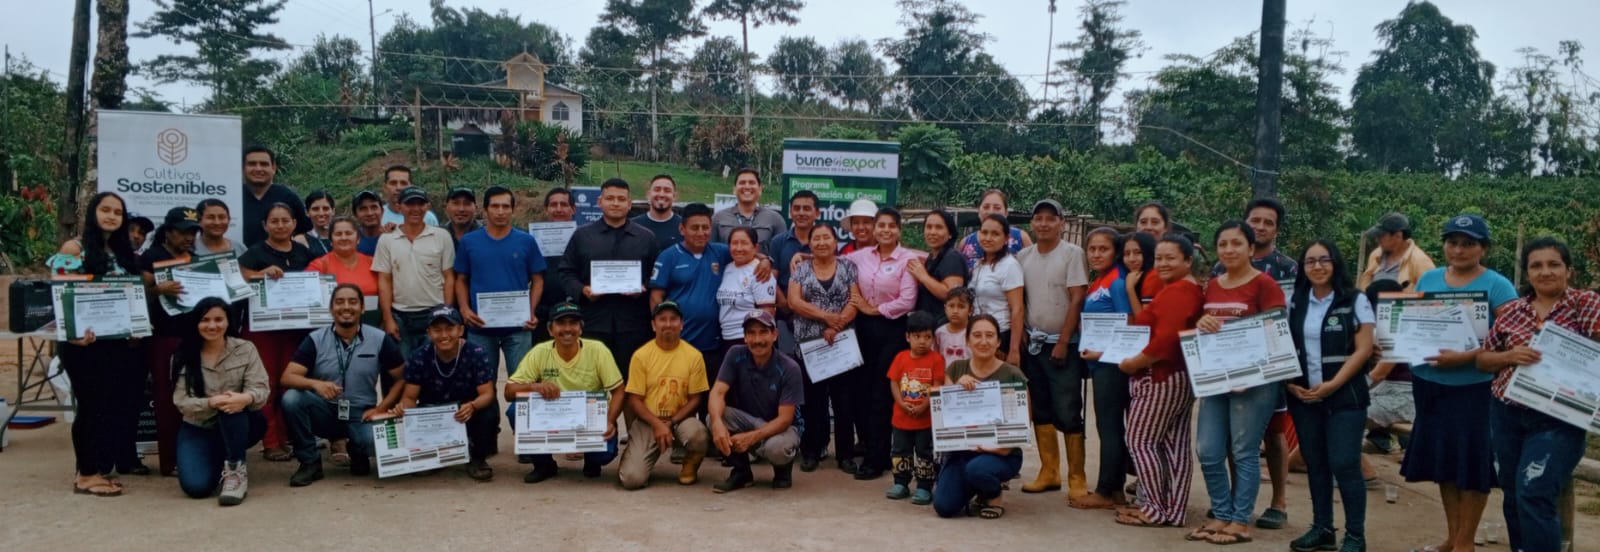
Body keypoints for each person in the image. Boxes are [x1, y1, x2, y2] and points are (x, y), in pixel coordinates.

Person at [1400, 214, 1517, 552]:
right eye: (1453, 242)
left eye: (1469, 244)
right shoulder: (1429, 278)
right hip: (1429, 384)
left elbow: (1513, 339)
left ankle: (1466, 542)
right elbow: (1414, 325)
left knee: (1473, 465)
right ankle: (1454, 538)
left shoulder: (1498, 286)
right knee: (1445, 464)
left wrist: (1464, 357)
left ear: (1483, 248)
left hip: (1474, 389)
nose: (1459, 250)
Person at [1480, 237, 1600, 552]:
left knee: (1534, 492)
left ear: (1568, 270)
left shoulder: (1585, 304)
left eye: (1553, 264)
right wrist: (1510, 356)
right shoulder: (1512, 311)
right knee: (1512, 494)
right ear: (1528, 273)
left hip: (1559, 417)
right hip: (1507, 413)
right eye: (1536, 266)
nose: (1545, 272)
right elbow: (1483, 360)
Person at [1091, 234, 1203, 528]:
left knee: (1140, 440)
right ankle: (1172, 509)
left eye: (1171, 258)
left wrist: (1134, 363)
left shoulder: (1180, 291)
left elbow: (1165, 341)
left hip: (1161, 375)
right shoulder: (1179, 289)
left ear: (1188, 261)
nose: (1163, 264)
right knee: (1173, 444)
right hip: (1176, 374)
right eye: (1160, 258)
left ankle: (1153, 508)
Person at [1190, 220, 1287, 545]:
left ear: (1250, 248)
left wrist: (1251, 374)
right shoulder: (1213, 286)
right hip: (1217, 380)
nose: (1229, 250)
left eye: (1236, 243)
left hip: (1254, 384)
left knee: (1244, 451)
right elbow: (1205, 327)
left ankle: (1240, 521)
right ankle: (1221, 513)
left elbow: (1276, 334)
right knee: (1208, 449)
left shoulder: (1265, 285)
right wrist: (1202, 322)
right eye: (1223, 244)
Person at [1211, 199, 1299, 531]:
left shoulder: (1288, 268)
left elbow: (1291, 316)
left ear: (1277, 229)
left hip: (1270, 364)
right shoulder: (1220, 269)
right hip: (1227, 367)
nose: (1261, 226)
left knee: (1274, 432)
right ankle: (1238, 503)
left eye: (1268, 222)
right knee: (1235, 437)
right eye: (1255, 220)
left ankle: (1278, 502)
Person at [1285, 240, 1376, 552]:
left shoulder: (1355, 300)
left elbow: (1364, 349)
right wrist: (1289, 383)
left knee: (1345, 463)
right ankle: (1322, 528)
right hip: (1305, 397)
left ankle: (1355, 536)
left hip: (1346, 397)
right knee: (1316, 462)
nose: (1318, 266)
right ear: (1303, 267)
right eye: (1310, 261)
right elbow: (1282, 345)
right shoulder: (1295, 301)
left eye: (1324, 260)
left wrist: (1334, 383)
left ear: (1336, 263)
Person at [49, 191, 141, 497]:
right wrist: (71, 332)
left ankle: (95, 468)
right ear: (93, 212)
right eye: (106, 210)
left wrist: (135, 327)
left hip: (115, 342)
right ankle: (86, 475)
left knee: (108, 406)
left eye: (118, 212)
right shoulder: (73, 248)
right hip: (82, 344)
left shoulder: (121, 251)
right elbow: (60, 292)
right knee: (90, 407)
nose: (112, 216)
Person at [280, 284, 407, 487]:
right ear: (331, 309)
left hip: (361, 413)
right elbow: (287, 377)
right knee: (292, 399)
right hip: (325, 411)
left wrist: (382, 408)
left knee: (374, 445)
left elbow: (402, 378)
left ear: (362, 308)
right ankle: (310, 463)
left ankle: (358, 450)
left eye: (352, 302)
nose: (346, 307)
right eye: (339, 302)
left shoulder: (379, 338)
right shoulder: (315, 339)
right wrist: (315, 384)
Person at [1014, 199, 1091, 500]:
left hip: (1063, 345)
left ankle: (1077, 476)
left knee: (1068, 409)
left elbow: (1077, 298)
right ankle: (1049, 471)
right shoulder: (1023, 256)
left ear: (1061, 223)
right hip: (1034, 344)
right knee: (1041, 408)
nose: (1044, 223)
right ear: (1032, 223)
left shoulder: (1072, 254)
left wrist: (1063, 341)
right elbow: (1021, 299)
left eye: (1050, 218)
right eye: (1038, 218)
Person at [504, 301, 625, 482]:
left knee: (604, 454)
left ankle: (592, 460)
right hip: (552, 416)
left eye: (573, 323)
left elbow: (619, 390)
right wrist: (534, 386)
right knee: (516, 410)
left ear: (581, 328)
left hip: (588, 417)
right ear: (550, 329)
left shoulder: (598, 350)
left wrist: (609, 420)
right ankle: (544, 464)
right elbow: (508, 391)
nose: (567, 329)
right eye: (561, 323)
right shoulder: (539, 352)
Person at [237, 202, 318, 463]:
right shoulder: (255, 252)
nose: (280, 225)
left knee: (290, 382)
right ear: (265, 225)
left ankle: (289, 437)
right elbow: (239, 277)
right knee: (266, 383)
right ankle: (271, 442)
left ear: (294, 224)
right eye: (274, 221)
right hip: (263, 330)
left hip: (295, 329)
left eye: (285, 220)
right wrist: (260, 274)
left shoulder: (304, 252)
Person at [844, 207, 921, 481]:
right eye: (881, 225)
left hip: (892, 330)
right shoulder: (861, 256)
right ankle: (872, 449)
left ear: (899, 230)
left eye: (891, 226)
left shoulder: (907, 259)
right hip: (863, 330)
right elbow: (830, 258)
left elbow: (907, 301)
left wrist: (874, 309)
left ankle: (877, 459)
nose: (886, 230)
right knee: (863, 391)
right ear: (874, 230)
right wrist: (801, 257)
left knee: (881, 393)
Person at [170, 297, 268, 505]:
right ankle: (220, 456)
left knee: (231, 406)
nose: (212, 326)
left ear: (228, 321)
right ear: (196, 323)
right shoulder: (182, 355)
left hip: (240, 422)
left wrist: (245, 397)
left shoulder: (245, 348)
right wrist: (211, 402)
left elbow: (261, 389)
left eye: (218, 319)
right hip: (199, 427)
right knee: (196, 487)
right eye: (205, 320)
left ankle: (235, 470)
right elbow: (181, 402)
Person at [558, 178, 657, 378]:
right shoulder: (582, 236)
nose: (615, 203)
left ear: (629, 204)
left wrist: (643, 288)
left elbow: (656, 276)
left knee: (631, 381)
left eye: (621, 199)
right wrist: (582, 290)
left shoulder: (646, 238)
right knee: (591, 380)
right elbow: (566, 272)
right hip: (592, 323)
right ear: (600, 202)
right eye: (610, 198)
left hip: (633, 325)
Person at [932, 314, 1028, 519]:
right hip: (962, 451)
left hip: (1002, 454)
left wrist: (1001, 448)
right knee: (944, 506)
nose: (983, 341)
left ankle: (992, 494)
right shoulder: (956, 369)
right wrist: (956, 388)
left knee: (978, 469)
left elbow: (1024, 422)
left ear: (998, 341)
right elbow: (946, 418)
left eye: (989, 335)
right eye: (977, 335)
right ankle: (974, 485)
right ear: (967, 340)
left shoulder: (1013, 374)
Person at [395, 305, 499, 481]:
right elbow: (410, 397)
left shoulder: (476, 353)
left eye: (450, 328)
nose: (444, 335)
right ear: (429, 333)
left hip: (466, 410)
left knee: (489, 411)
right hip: (433, 412)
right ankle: (431, 456)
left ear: (461, 330)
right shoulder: (419, 356)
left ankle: (478, 459)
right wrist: (403, 408)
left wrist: (472, 406)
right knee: (409, 415)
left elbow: (487, 393)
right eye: (437, 330)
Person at [787, 224, 860, 473]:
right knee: (813, 403)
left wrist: (837, 325)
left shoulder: (848, 267)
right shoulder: (801, 268)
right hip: (810, 347)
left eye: (826, 237)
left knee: (844, 402)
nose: (821, 242)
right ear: (809, 243)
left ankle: (845, 455)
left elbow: (855, 300)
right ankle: (811, 451)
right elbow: (794, 301)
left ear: (835, 241)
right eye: (816, 238)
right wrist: (827, 317)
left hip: (841, 344)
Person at [139, 206, 205, 476]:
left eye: (193, 232)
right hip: (164, 337)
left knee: (197, 394)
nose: (189, 237)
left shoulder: (196, 259)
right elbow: (136, 293)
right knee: (167, 398)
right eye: (183, 232)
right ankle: (170, 460)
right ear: (167, 232)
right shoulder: (151, 257)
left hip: (195, 336)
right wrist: (158, 289)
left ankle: (197, 456)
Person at [454, 185, 544, 381]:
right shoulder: (469, 242)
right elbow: (461, 279)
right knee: (482, 385)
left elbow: (538, 279)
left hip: (519, 329)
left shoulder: (526, 241)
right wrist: (464, 309)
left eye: (505, 206)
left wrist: (531, 310)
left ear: (513, 209)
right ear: (485, 210)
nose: (501, 212)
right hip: (480, 327)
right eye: (495, 206)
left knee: (521, 385)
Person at [1073, 227, 1135, 510]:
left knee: (1109, 427)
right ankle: (1116, 490)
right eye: (1092, 249)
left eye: (1103, 249)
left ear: (1116, 252)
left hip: (1111, 364)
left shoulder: (1118, 282)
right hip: (1100, 363)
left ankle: (1106, 491)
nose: (1096, 254)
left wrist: (1101, 353)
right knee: (1107, 426)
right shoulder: (1100, 280)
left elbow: (1128, 325)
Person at [619, 301, 712, 489]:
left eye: (673, 319)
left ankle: (690, 464)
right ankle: (633, 456)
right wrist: (657, 424)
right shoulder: (641, 356)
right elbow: (634, 400)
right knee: (631, 480)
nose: (668, 324)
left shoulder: (694, 356)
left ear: (681, 324)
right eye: (662, 319)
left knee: (698, 435)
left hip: (680, 420)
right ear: (654, 325)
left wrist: (670, 422)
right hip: (648, 422)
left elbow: (696, 398)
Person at [708, 311, 804, 492]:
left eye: (763, 332)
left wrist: (751, 437)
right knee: (714, 418)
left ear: (775, 334)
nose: (757, 339)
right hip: (750, 419)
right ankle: (741, 472)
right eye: (751, 333)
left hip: (783, 428)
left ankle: (782, 469)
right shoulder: (735, 354)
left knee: (776, 448)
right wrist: (717, 423)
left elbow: (785, 419)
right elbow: (718, 392)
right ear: (744, 337)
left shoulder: (789, 367)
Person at [650, 203, 735, 378]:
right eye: (695, 228)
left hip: (712, 344)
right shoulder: (668, 256)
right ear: (682, 229)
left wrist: (765, 261)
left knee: (708, 390)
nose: (701, 233)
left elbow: (748, 253)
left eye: (705, 228)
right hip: (679, 343)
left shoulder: (721, 252)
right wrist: (662, 331)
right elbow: (656, 297)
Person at [374, 186, 457, 356]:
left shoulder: (442, 236)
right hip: (401, 315)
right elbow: (384, 280)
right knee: (402, 365)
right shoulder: (387, 239)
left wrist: (446, 312)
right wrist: (388, 318)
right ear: (399, 207)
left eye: (420, 204)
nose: (415, 209)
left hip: (434, 312)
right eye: (410, 204)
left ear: (428, 206)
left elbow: (449, 277)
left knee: (434, 364)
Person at [884, 311, 944, 505]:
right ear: (908, 337)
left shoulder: (936, 360)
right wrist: (901, 403)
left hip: (925, 420)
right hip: (901, 418)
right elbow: (894, 382)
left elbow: (937, 386)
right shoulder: (900, 357)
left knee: (925, 453)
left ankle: (924, 486)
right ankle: (900, 483)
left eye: (927, 337)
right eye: (917, 336)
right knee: (900, 451)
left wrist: (924, 406)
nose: (922, 342)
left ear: (933, 338)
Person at [716, 226, 778, 367]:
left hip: (749, 341)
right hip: (726, 339)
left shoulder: (760, 271)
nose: (739, 248)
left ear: (755, 247)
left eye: (744, 243)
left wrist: (756, 342)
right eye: (734, 243)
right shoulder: (727, 268)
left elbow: (768, 314)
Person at [969, 214, 1026, 365]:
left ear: (1006, 238)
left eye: (995, 234)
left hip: (1001, 335)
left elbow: (1017, 309)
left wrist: (1014, 350)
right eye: (984, 232)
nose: (988, 238)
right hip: (979, 333)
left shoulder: (1009, 265)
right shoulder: (979, 265)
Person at [308, 218, 379, 323]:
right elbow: (308, 297)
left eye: (348, 233)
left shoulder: (373, 263)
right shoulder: (319, 266)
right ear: (331, 240)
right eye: (338, 234)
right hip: (334, 325)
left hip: (373, 322)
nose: (344, 237)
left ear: (358, 238)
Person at [241, 146, 313, 248]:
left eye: (264, 164)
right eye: (252, 164)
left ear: (274, 168)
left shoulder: (288, 197)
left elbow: (306, 230)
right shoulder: (233, 197)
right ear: (243, 168)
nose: (258, 168)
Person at [533, 187, 576, 344]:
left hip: (575, 312)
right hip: (542, 312)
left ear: (573, 209)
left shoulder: (585, 238)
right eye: (553, 205)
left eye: (564, 204)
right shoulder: (532, 239)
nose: (558, 209)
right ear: (546, 209)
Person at [908, 209, 967, 323]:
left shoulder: (952, 257)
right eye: (929, 227)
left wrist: (923, 277)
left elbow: (951, 294)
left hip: (945, 327)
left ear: (950, 234)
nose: (932, 232)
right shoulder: (932, 257)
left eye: (939, 227)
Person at [957, 189, 1033, 270]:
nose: (991, 212)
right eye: (986, 207)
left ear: (1006, 213)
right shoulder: (966, 242)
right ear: (979, 211)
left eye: (997, 208)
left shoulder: (1021, 238)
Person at [1358, 212, 1436, 290]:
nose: (1377, 240)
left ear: (1398, 236)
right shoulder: (1376, 255)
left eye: (1381, 236)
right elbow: (1366, 281)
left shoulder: (1420, 261)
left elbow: (1432, 293)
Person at [711, 168, 786, 247]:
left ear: (760, 189)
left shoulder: (775, 219)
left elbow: (782, 250)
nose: (747, 186)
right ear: (734, 189)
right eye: (742, 183)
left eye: (751, 183)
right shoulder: (718, 218)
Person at [633, 174, 683, 251]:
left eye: (667, 190)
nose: (661, 194)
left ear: (674, 196)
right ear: (648, 195)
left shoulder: (685, 228)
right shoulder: (632, 226)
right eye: (657, 190)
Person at [1123, 231, 1162, 315]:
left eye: (1138, 252)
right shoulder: (1137, 275)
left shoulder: (1153, 276)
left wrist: (1130, 288)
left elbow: (1144, 320)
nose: (1131, 259)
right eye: (1127, 254)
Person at [936, 287, 973, 368]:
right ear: (945, 308)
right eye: (951, 306)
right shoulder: (939, 333)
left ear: (970, 310)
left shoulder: (974, 332)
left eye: (961, 306)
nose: (955, 311)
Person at [296, 190, 335, 258]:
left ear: (333, 211)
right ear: (307, 212)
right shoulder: (301, 241)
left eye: (325, 208)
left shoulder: (344, 236)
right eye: (315, 209)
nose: (321, 213)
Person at [352, 190, 386, 256]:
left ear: (382, 211)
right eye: (363, 209)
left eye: (374, 207)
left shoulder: (392, 237)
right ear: (355, 214)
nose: (369, 213)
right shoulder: (350, 241)